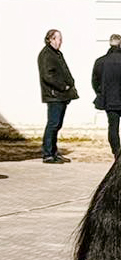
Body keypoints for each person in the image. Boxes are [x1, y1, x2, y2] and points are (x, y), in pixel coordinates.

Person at [37, 28, 77, 163]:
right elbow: (48, 76)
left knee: (57, 124)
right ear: (51, 39)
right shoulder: (47, 54)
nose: (61, 41)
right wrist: (63, 86)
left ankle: (53, 152)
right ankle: (48, 154)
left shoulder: (55, 53)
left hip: (60, 95)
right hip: (55, 95)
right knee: (53, 124)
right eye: (59, 38)